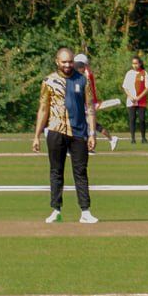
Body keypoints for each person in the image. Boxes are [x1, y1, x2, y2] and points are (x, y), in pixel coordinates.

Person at [31, 47, 98, 224]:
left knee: (80, 172)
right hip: (56, 130)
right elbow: (43, 108)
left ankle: (85, 211)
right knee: (56, 171)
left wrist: (92, 133)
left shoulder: (82, 80)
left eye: (70, 62)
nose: (67, 65)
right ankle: (56, 210)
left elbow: (90, 107)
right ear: (57, 62)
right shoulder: (49, 81)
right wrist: (37, 135)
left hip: (79, 132)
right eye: (64, 62)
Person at [73, 54, 118, 151]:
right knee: (91, 124)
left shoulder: (86, 74)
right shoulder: (86, 72)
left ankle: (90, 146)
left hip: (88, 102)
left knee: (88, 124)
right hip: (87, 101)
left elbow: (87, 89)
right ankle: (110, 139)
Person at [122, 55, 148, 143]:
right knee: (132, 119)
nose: (134, 65)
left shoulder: (144, 73)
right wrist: (130, 97)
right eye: (133, 63)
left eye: (136, 63)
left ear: (140, 63)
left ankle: (143, 138)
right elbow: (125, 87)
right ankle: (133, 138)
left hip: (141, 101)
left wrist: (139, 97)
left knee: (142, 119)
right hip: (131, 101)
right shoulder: (129, 73)